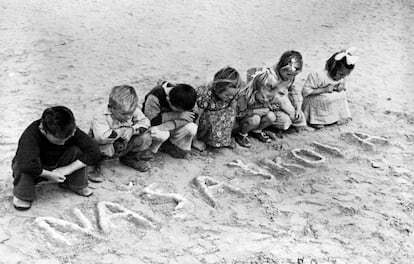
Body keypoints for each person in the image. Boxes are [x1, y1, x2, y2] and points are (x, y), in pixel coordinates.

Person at [11, 106, 101, 210]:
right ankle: (23, 195)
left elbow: (94, 151)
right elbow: (27, 164)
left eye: (68, 138)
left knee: (77, 150)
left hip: (60, 165)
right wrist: (49, 175)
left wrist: (69, 168)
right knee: (22, 162)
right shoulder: (31, 134)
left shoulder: (70, 130)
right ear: (43, 130)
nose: (63, 143)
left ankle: (76, 184)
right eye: (59, 140)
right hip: (36, 168)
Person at [90, 85, 168, 176]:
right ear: (111, 108)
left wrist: (131, 130)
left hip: (123, 142)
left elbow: (146, 123)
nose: (129, 117)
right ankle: (95, 164)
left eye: (131, 113)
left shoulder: (131, 109)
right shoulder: (100, 115)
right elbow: (101, 137)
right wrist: (122, 131)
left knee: (146, 137)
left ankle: (128, 158)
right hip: (104, 143)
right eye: (124, 114)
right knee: (105, 147)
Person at [246, 50, 306, 132]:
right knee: (285, 121)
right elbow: (275, 98)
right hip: (267, 103)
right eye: (288, 74)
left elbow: (294, 91)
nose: (291, 78)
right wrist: (290, 111)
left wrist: (298, 107)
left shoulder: (290, 77)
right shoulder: (270, 78)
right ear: (280, 68)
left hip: (283, 100)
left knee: (300, 115)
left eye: (294, 75)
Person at [302, 48, 358, 129]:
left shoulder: (342, 76)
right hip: (315, 97)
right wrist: (324, 90)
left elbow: (342, 84)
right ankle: (316, 120)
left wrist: (340, 87)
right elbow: (305, 92)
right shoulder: (319, 75)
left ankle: (338, 117)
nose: (342, 77)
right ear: (333, 68)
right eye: (341, 74)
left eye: (345, 75)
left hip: (330, 94)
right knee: (325, 98)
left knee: (342, 95)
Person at [143, 81, 198, 158]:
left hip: (166, 125)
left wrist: (169, 125)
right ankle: (152, 150)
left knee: (192, 127)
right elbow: (151, 121)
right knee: (163, 135)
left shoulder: (187, 96)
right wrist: (177, 115)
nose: (182, 113)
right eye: (179, 110)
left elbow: (194, 115)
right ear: (168, 100)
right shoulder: (154, 97)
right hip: (156, 126)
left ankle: (173, 145)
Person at [234, 68, 287, 148]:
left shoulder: (269, 97)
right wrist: (254, 111)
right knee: (255, 119)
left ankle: (257, 131)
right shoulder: (245, 97)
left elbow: (274, 105)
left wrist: (272, 107)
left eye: (269, 97)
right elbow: (238, 114)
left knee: (271, 116)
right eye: (263, 96)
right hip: (243, 121)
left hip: (256, 121)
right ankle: (242, 134)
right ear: (255, 90)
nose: (266, 99)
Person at [192, 66, 242, 151]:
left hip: (219, 117)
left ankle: (223, 140)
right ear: (217, 88)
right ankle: (208, 139)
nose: (230, 97)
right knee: (213, 117)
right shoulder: (205, 93)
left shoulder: (232, 93)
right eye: (227, 95)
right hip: (205, 121)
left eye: (233, 95)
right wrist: (195, 141)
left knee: (231, 113)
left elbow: (233, 110)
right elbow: (196, 118)